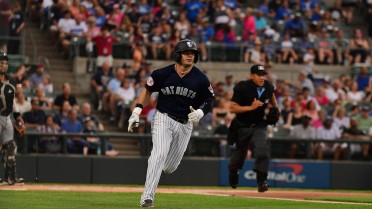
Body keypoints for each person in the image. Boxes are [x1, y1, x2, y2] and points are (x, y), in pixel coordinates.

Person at [128, 39, 214, 207]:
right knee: (158, 155)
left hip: (185, 124)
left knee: (169, 167)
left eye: (193, 54)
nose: (190, 56)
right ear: (177, 55)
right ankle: (147, 197)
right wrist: (137, 110)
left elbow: (209, 100)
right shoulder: (162, 73)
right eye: (186, 53)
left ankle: (159, 171)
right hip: (163, 118)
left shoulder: (201, 79)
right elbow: (147, 91)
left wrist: (201, 112)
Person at [228, 64, 279, 192]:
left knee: (262, 150)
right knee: (238, 157)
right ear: (251, 76)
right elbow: (232, 108)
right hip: (242, 126)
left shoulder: (268, 86)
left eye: (263, 75)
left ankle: (262, 181)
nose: (262, 77)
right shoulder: (242, 87)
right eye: (259, 74)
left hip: (259, 125)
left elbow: (272, 97)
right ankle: (234, 172)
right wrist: (251, 107)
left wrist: (276, 109)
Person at [0, 52, 24, 185]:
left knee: (10, 147)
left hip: (7, 118)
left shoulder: (11, 81)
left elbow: (13, 102)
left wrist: (18, 117)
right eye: (1, 63)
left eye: (5, 63)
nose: (4, 66)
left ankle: (10, 178)